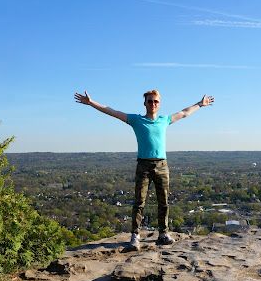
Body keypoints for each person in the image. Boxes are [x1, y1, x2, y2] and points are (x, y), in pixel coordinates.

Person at [74, 89, 214, 250]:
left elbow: (184, 113)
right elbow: (112, 111)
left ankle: (163, 233)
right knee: (139, 202)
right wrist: (91, 103)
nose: (153, 104)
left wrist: (200, 104)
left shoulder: (164, 120)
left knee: (164, 202)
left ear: (159, 104)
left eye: (155, 101)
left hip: (161, 165)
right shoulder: (136, 120)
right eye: (150, 101)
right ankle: (135, 236)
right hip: (143, 165)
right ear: (145, 103)